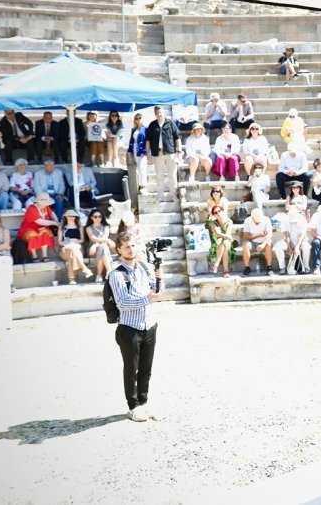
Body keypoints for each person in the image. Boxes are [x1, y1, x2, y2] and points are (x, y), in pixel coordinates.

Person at [108, 230, 163, 422]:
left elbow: (157, 292)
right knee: (131, 370)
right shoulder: (116, 275)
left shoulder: (144, 268)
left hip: (149, 325)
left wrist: (160, 278)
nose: (131, 250)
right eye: (126, 247)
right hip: (129, 328)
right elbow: (122, 304)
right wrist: (148, 298)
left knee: (146, 368)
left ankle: (144, 403)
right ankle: (133, 407)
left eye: (133, 245)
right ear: (119, 250)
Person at [146, 106, 182, 203]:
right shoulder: (152, 125)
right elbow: (148, 140)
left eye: (160, 112)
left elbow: (177, 137)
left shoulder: (170, 123)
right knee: (159, 176)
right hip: (157, 153)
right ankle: (160, 196)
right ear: (155, 114)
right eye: (157, 113)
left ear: (163, 113)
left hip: (170, 152)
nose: (159, 114)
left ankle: (173, 195)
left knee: (172, 175)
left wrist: (179, 151)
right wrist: (148, 154)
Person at [17, 193, 58, 262]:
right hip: (30, 227)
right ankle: (34, 256)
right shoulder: (31, 209)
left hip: (43, 227)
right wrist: (54, 223)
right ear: (38, 202)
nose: (45, 204)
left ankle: (45, 255)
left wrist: (56, 221)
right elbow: (40, 222)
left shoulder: (46, 207)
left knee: (45, 233)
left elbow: (52, 214)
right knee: (32, 235)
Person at [273, 198, 309, 274]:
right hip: (289, 241)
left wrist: (297, 247)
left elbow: (301, 235)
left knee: (306, 246)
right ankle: (282, 267)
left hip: (300, 241)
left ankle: (306, 267)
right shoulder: (285, 220)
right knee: (277, 246)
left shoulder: (302, 220)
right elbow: (286, 235)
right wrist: (289, 248)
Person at [58, 209, 92, 285]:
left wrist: (74, 243)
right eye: (69, 216)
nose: (71, 217)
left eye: (73, 216)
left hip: (77, 247)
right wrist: (69, 243)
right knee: (71, 250)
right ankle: (84, 268)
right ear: (66, 217)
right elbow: (59, 242)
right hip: (66, 248)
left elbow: (82, 240)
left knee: (72, 254)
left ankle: (71, 279)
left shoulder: (79, 227)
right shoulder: (62, 227)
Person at [241, 207, 276, 276]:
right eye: (256, 221)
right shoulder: (247, 221)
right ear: (252, 218)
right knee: (245, 245)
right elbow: (246, 236)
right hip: (252, 242)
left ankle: (269, 267)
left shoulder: (266, 220)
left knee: (269, 243)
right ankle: (247, 267)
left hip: (264, 242)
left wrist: (263, 244)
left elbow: (269, 234)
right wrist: (259, 235)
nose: (258, 222)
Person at [85, 208, 115, 283]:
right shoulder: (88, 228)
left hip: (102, 247)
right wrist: (107, 240)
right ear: (91, 217)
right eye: (95, 217)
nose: (98, 218)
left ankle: (99, 275)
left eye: (100, 216)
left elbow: (105, 236)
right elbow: (93, 238)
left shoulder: (106, 226)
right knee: (103, 248)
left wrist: (98, 244)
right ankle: (109, 272)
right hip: (92, 249)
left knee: (103, 248)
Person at [206, 204, 234, 277]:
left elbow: (228, 233)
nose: (218, 213)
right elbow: (218, 234)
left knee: (225, 243)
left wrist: (227, 237)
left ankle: (216, 265)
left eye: (219, 211)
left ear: (222, 211)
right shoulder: (213, 223)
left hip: (226, 241)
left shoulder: (229, 221)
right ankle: (226, 271)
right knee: (224, 244)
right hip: (216, 242)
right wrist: (229, 238)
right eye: (216, 212)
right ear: (214, 215)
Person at [127, 113, 149, 191]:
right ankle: (139, 184)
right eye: (136, 118)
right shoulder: (133, 129)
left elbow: (147, 141)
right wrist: (129, 151)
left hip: (141, 149)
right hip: (134, 148)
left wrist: (144, 151)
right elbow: (131, 140)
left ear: (142, 119)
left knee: (142, 167)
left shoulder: (146, 129)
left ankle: (144, 185)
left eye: (140, 118)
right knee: (137, 167)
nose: (138, 120)